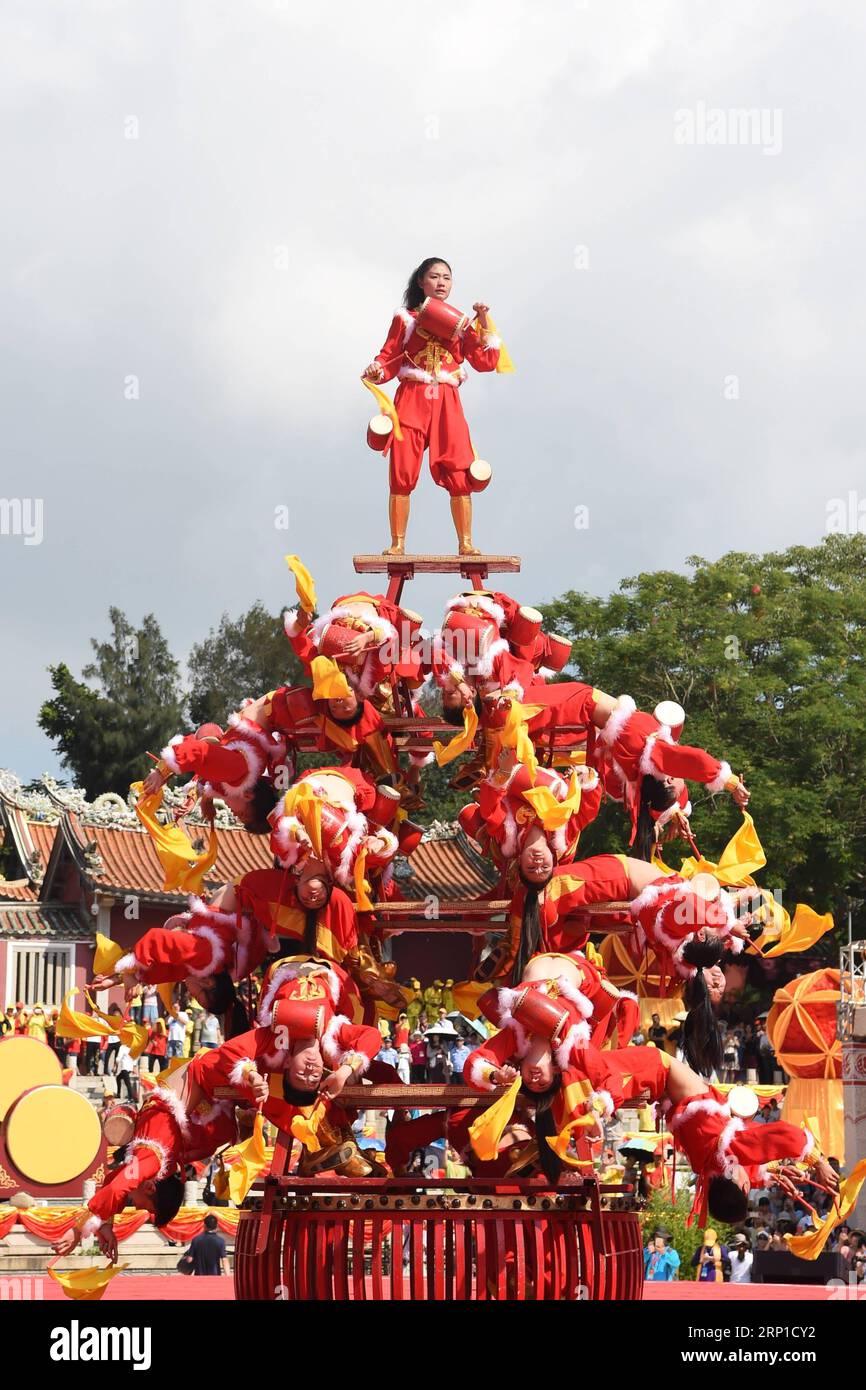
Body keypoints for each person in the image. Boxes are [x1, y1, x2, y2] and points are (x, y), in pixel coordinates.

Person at [363, 256, 504, 556]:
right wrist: (377, 369)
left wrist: (484, 321)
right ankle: (397, 543)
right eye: (435, 276)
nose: (441, 282)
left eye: (447, 278)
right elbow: (389, 356)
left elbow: (485, 361)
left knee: (458, 465)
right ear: (420, 281)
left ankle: (465, 543)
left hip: (446, 400)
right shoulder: (405, 318)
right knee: (403, 465)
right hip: (412, 395)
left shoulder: (462, 324)